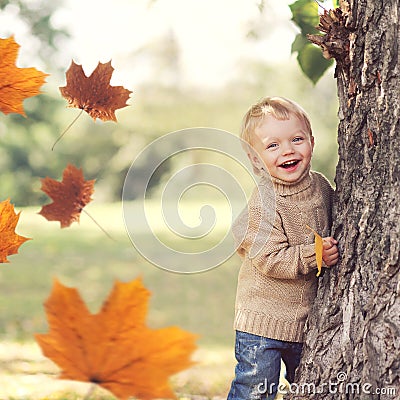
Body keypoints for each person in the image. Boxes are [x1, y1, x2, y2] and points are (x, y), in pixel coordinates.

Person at [227, 96, 339, 400]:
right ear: (254, 158)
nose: (287, 150)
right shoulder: (264, 202)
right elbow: (269, 257)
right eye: (272, 145)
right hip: (262, 323)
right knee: (255, 390)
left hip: (307, 321)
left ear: (312, 142)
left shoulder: (322, 187)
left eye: (297, 139)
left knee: (311, 387)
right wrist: (314, 255)